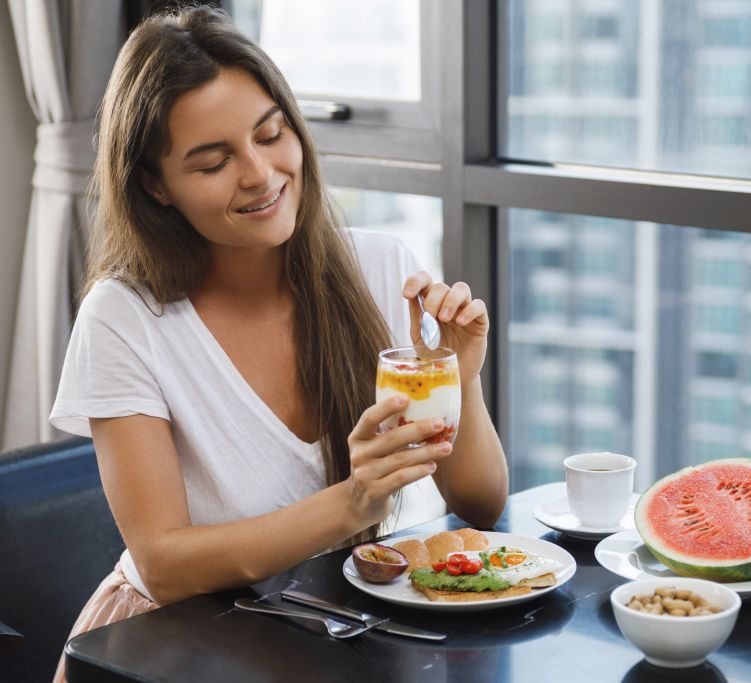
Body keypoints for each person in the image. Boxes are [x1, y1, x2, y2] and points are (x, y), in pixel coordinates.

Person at [48, 5, 508, 681]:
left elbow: (482, 503)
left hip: (319, 627)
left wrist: (458, 381)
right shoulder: (124, 317)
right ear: (156, 186)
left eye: (271, 134)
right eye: (213, 162)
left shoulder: (380, 268)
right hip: (162, 646)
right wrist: (353, 501)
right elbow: (163, 565)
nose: (261, 174)